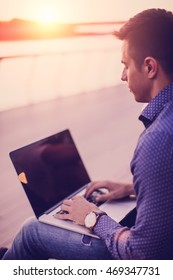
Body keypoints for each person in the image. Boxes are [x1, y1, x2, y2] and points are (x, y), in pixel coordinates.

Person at [3, 8, 173, 260]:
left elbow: (141, 256)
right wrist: (134, 188)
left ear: (149, 67)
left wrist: (92, 217)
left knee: (32, 232)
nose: (123, 76)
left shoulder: (158, 140)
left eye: (126, 65)